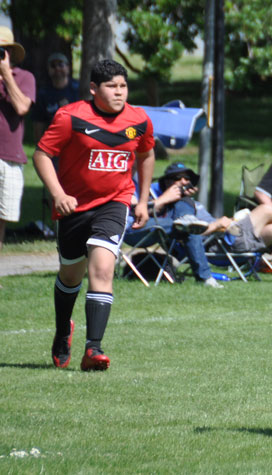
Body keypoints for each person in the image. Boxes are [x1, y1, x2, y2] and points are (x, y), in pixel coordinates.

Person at [33, 59, 156, 371]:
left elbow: (146, 153)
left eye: (123, 86)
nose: (119, 92)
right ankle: (63, 330)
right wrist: (58, 194)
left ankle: (94, 349)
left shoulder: (139, 119)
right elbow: (42, 154)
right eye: (111, 86)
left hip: (115, 203)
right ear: (93, 89)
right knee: (71, 274)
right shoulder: (71, 116)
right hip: (73, 208)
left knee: (102, 268)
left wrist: (141, 199)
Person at [124, 162, 223, 288]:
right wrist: (163, 200)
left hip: (162, 225)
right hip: (133, 229)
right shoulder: (125, 183)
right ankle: (205, 278)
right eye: (177, 178)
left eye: (187, 179)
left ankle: (186, 219)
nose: (183, 182)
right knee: (186, 226)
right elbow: (134, 213)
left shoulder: (141, 181)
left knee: (189, 224)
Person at [0, 26, 36, 251]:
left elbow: (23, 107)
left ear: (10, 53)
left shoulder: (24, 77)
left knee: (1, 220)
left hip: (9, 158)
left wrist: (5, 74)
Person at [33, 52, 80, 141]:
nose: (57, 68)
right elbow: (38, 123)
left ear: (68, 68)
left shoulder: (78, 89)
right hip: (53, 141)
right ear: (48, 70)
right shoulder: (43, 93)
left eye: (61, 65)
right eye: (53, 66)